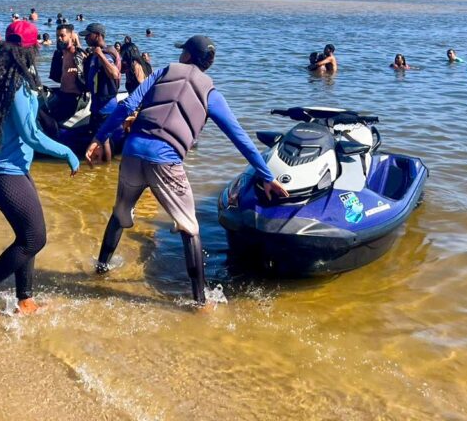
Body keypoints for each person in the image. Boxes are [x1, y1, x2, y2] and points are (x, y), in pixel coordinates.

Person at [87, 35, 289, 307]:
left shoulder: (163, 72)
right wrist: (266, 176)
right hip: (166, 161)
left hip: (133, 153)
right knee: (189, 228)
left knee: (121, 212)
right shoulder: (211, 94)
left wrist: (99, 138)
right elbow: (239, 137)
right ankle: (200, 302)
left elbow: (127, 105)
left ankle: (100, 270)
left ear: (188, 56)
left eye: (183, 52)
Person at [0, 20, 80, 318]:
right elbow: (32, 135)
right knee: (34, 239)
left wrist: (0, 129)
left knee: (26, 236)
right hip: (5, 175)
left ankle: (25, 300)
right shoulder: (19, 85)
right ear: (29, 50)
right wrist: (67, 152)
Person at [81, 23, 122, 161]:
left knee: (103, 139)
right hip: (98, 105)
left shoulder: (105, 53)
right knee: (101, 138)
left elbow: (114, 74)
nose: (86, 38)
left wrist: (100, 55)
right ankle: (103, 169)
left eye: (88, 35)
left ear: (97, 35)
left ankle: (106, 168)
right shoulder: (96, 53)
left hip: (105, 106)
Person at [48, 24, 86, 123]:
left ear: (71, 36)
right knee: (44, 110)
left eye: (62, 35)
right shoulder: (61, 52)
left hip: (73, 96)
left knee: (53, 120)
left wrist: (76, 70)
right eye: (57, 36)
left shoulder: (77, 53)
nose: (59, 38)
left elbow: (85, 67)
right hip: (62, 92)